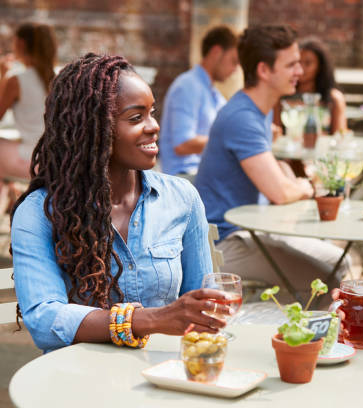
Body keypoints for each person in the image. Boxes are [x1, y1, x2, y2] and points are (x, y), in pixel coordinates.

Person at [11, 53, 230, 353]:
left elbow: (201, 306)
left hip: (160, 377)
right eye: (136, 117)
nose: (153, 126)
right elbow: (44, 320)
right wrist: (150, 319)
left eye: (152, 113)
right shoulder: (39, 213)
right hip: (75, 382)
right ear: (92, 130)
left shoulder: (182, 199)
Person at [194, 25, 350, 301]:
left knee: (339, 260)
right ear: (265, 71)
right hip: (225, 243)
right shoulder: (242, 117)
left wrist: (293, 181)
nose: (300, 72)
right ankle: (294, 338)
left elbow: (277, 173)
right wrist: (307, 185)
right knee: (327, 278)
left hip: (249, 231)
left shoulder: (258, 112)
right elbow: (280, 192)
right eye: (291, 65)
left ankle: (289, 326)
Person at [159, 25, 239, 176]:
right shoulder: (187, 86)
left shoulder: (213, 93)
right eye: (234, 61)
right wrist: (230, 141)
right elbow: (182, 144)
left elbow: (232, 127)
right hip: (184, 177)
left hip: (203, 174)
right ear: (216, 52)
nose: (236, 69)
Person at [0, 22, 56, 181]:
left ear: (21, 43)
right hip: (52, 159)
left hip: (30, 159)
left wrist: (3, 75)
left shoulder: (16, 80)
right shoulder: (56, 77)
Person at [274, 36, 347, 135]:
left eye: (308, 63)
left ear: (320, 66)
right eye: (297, 62)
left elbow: (340, 136)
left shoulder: (334, 99)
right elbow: (275, 134)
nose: (301, 68)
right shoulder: (281, 96)